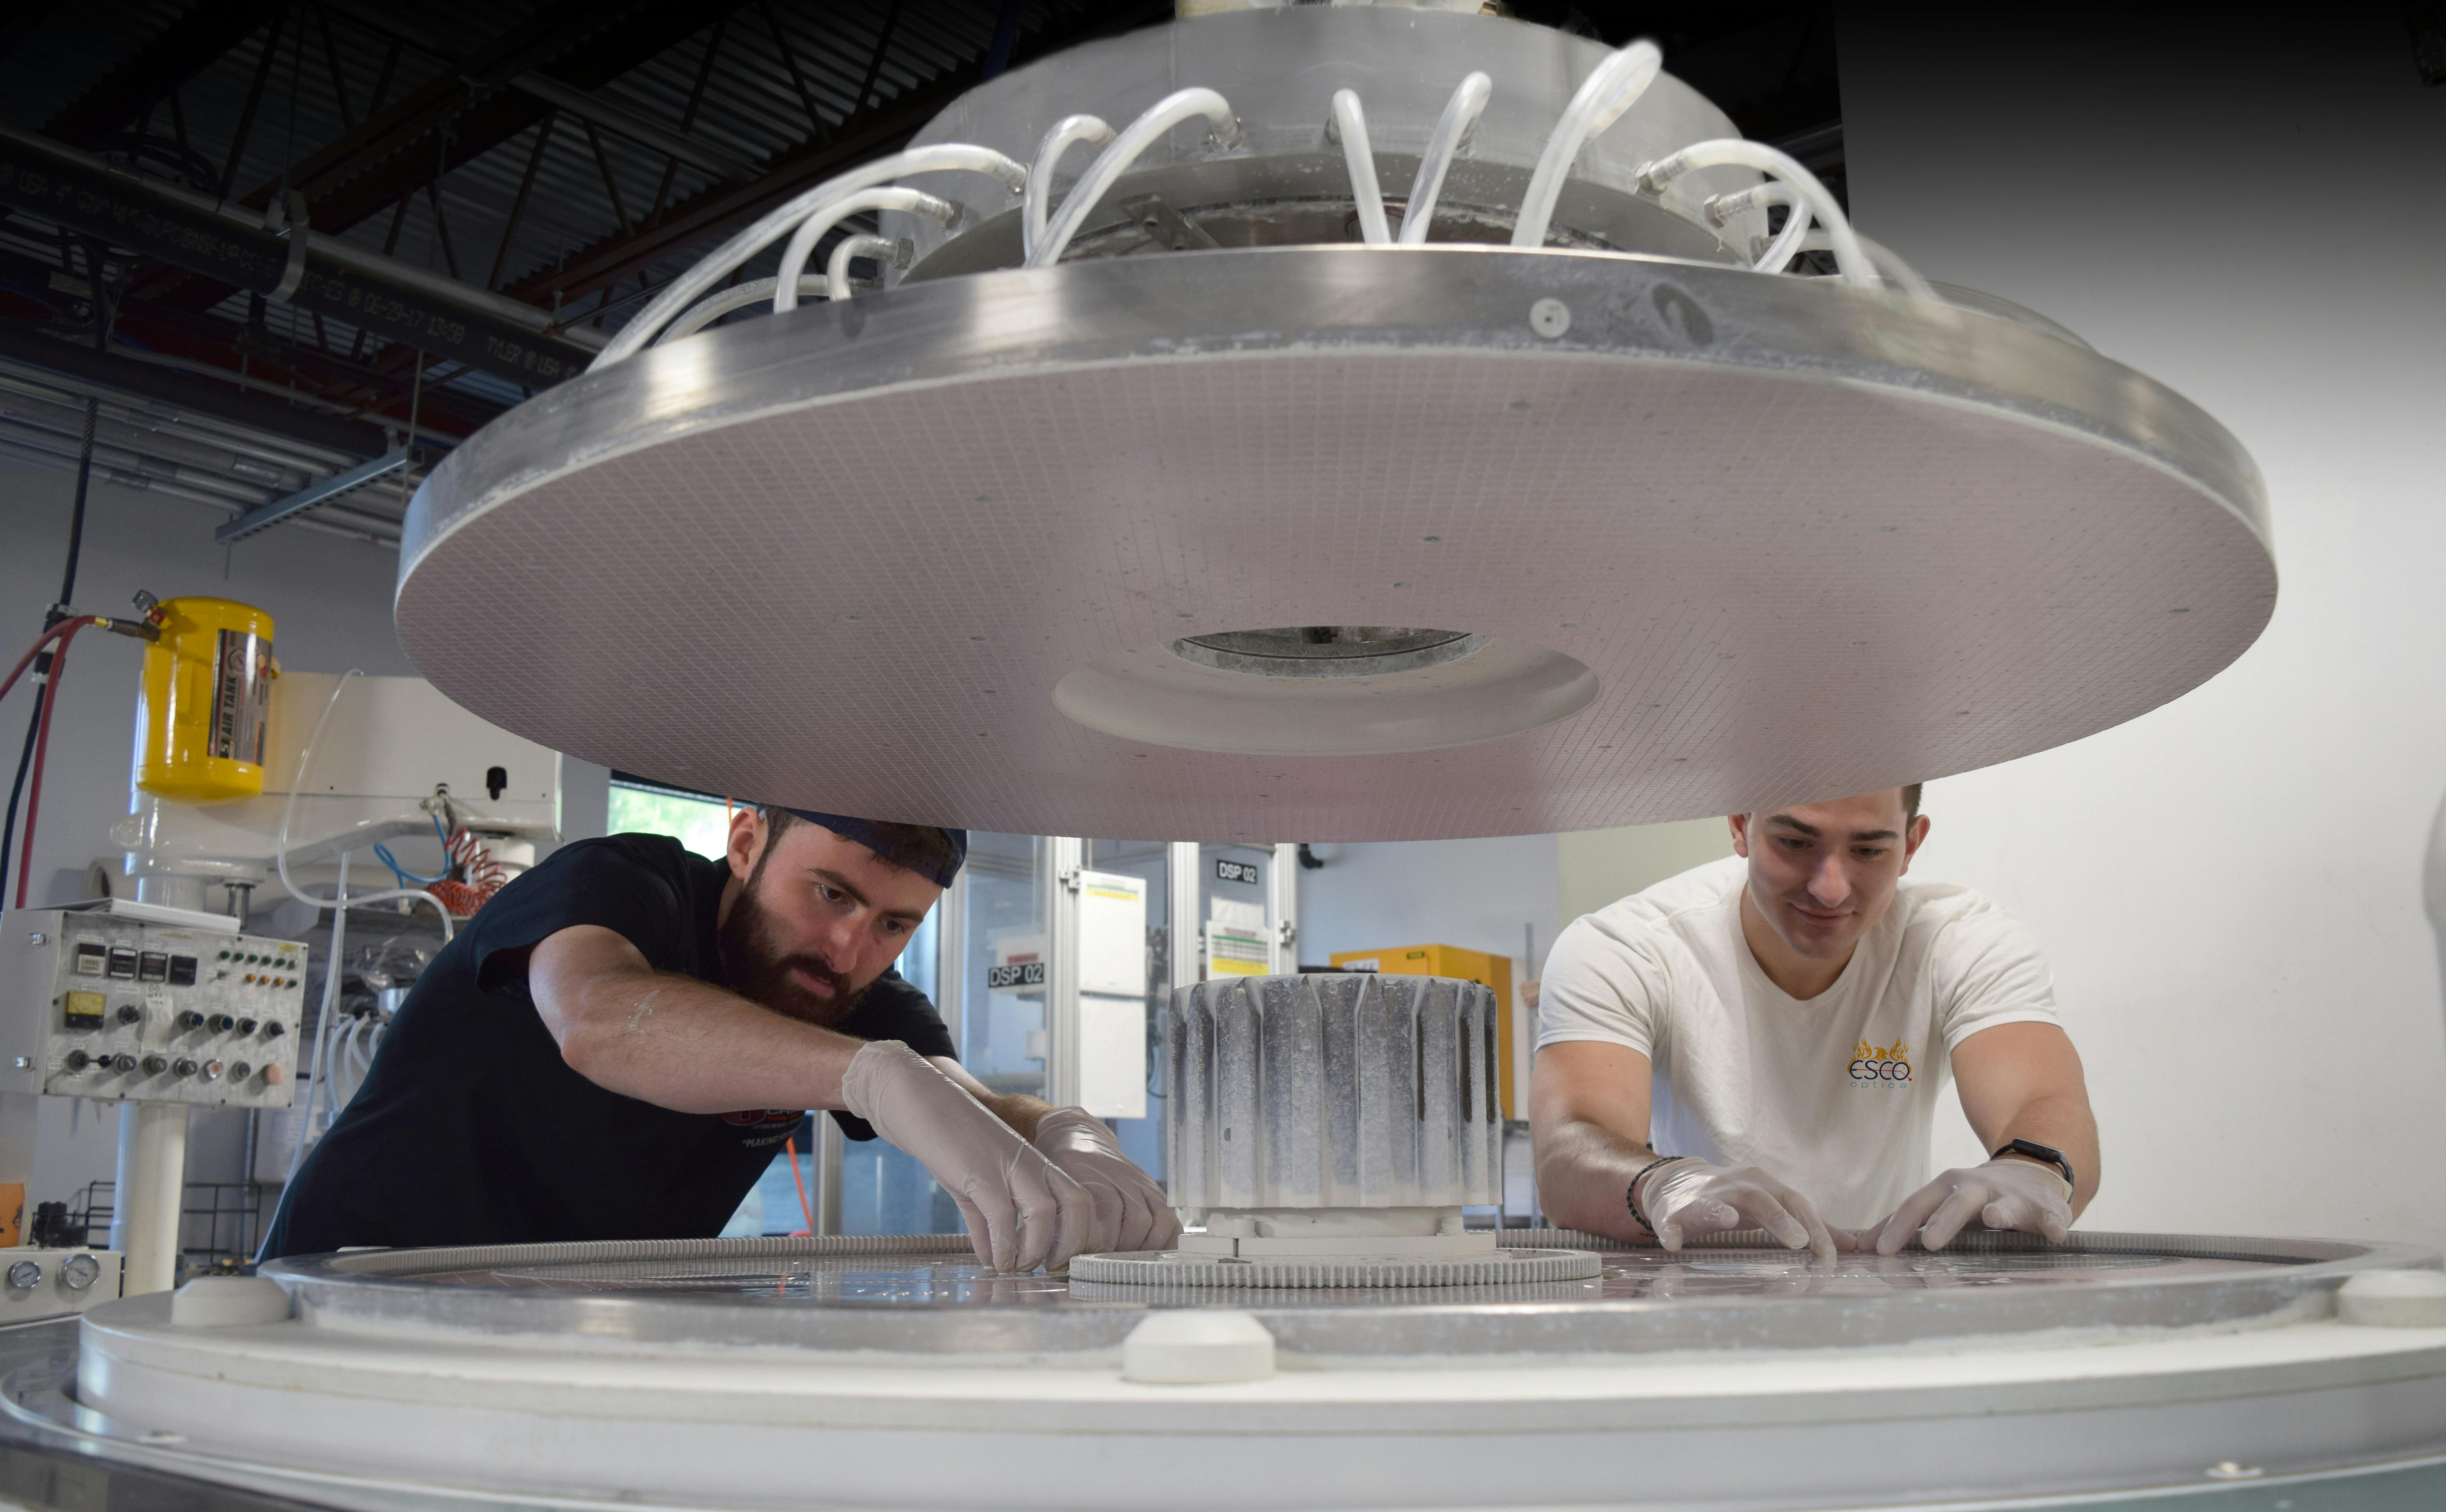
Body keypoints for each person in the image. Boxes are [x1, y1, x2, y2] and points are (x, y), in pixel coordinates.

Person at [260, 805, 1179, 1270]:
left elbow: (971, 1101)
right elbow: (600, 1021)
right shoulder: (623, 885)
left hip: (557, 1324)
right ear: (745, 842)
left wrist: (1069, 1132)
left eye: (896, 925)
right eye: (831, 893)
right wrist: (868, 1080)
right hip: (358, 1284)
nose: (850, 948)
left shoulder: (851, 995)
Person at [1529, 785, 2096, 1262]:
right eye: (1795, 842)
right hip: (1702, 1290)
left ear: (1911, 844)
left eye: (1868, 849)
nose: (1830, 886)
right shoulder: (1628, 945)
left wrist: (2035, 1169)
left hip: (1888, 1302)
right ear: (1738, 825)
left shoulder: (1959, 939)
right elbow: (1567, 1153)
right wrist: (1659, 1184)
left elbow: (2041, 1099)